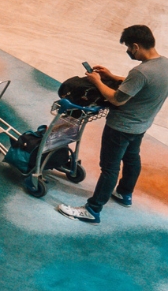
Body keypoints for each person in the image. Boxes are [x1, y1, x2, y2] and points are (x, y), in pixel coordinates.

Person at [59, 26, 166, 224]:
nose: (128, 52)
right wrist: (112, 76)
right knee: (132, 158)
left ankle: (92, 209)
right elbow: (140, 84)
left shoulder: (141, 72)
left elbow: (117, 99)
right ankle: (125, 193)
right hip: (141, 125)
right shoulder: (164, 65)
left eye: (128, 48)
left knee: (109, 168)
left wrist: (97, 81)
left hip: (120, 127)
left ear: (135, 46)